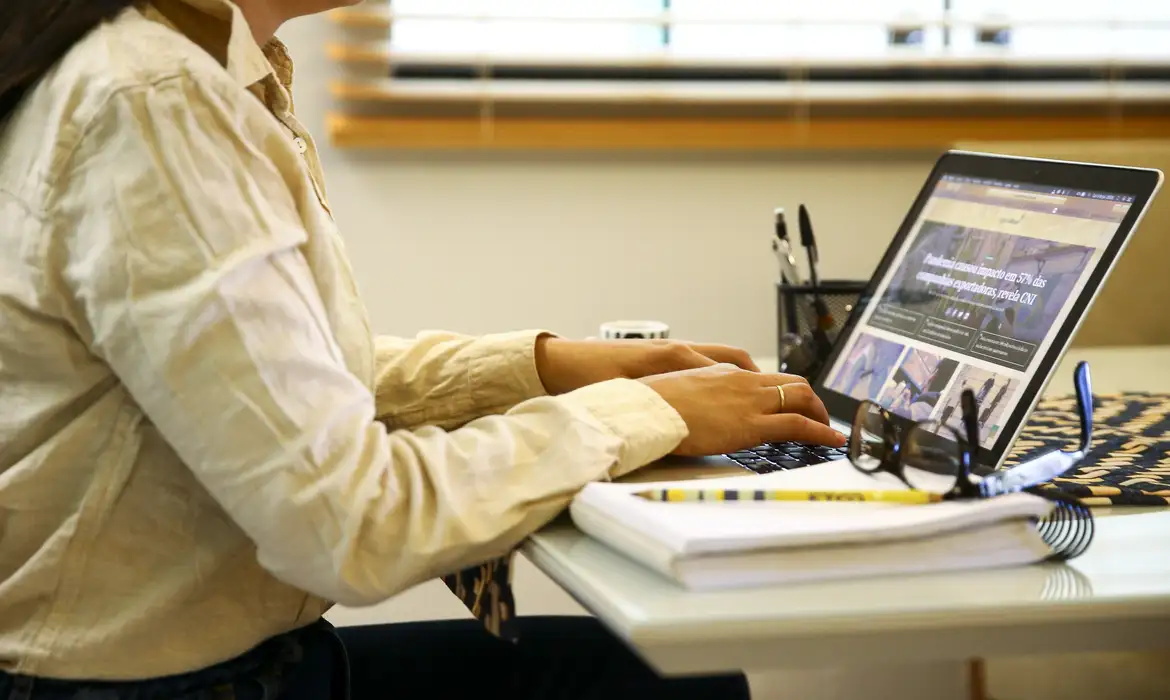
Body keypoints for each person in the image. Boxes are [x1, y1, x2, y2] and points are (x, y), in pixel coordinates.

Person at [0, 1, 847, 698]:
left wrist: (547, 367)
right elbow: (351, 521)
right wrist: (639, 415)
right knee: (669, 686)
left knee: (656, 675)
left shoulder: (204, 66)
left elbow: (286, 379)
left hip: (196, 666)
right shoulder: (151, 101)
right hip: (148, 690)